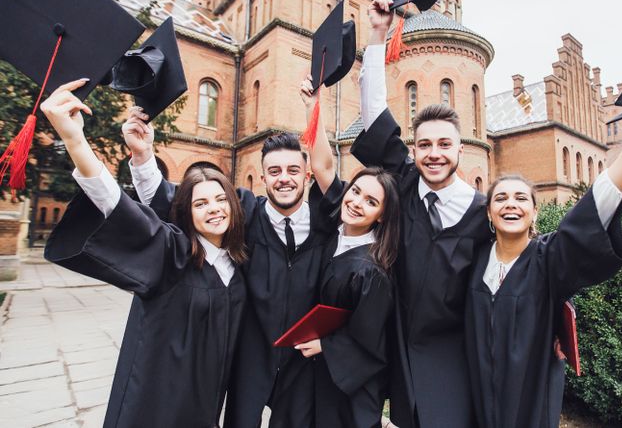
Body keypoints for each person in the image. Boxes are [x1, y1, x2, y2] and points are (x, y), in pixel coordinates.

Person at [465, 96, 622, 427]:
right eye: (501, 198)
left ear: (534, 212)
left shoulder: (549, 258)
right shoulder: (473, 259)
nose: (511, 204)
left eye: (521, 198)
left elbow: (594, 208)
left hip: (530, 399)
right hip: (475, 398)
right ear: (489, 212)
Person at [40, 79, 248, 428]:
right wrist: (76, 140)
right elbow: (119, 206)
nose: (214, 209)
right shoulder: (173, 254)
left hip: (208, 403)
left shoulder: (237, 263)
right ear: (186, 214)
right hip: (159, 403)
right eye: (200, 203)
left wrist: (143, 155)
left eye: (220, 198)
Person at [123, 109, 337, 428]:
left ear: (307, 176)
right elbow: (178, 201)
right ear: (262, 178)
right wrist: (143, 157)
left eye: (293, 169)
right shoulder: (244, 211)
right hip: (248, 357)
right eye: (274, 171)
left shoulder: (327, 224)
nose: (284, 178)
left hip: (302, 363)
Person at [352, 0, 489, 428]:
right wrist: (377, 35)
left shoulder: (482, 213)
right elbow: (375, 115)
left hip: (453, 358)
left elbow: (524, 268)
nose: (433, 154)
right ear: (413, 149)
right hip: (401, 353)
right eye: (424, 145)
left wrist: (557, 327)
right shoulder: (406, 183)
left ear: (460, 149)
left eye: (444, 145)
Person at [292, 77, 398, 428]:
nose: (356, 203)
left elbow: (370, 338)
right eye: (355, 192)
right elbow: (323, 167)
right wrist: (313, 109)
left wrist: (327, 347)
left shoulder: (373, 269)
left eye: (371, 202)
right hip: (313, 374)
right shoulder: (335, 227)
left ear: (381, 215)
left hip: (347, 386)